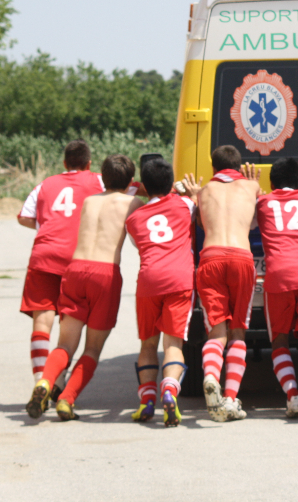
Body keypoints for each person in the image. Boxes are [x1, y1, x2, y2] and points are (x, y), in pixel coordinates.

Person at [26, 155, 139, 421]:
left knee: (65, 344)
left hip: (75, 270)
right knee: (92, 349)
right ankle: (67, 400)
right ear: (131, 181)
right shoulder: (133, 203)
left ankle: (44, 382)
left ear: (103, 177)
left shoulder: (89, 201)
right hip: (105, 273)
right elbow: (140, 239)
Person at [17, 140, 104, 396]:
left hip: (44, 256)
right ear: (89, 163)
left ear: (65, 163)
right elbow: (128, 189)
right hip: (78, 258)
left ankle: (39, 380)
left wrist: (46, 224)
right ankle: (57, 379)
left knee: (42, 322)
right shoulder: (98, 181)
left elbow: (24, 216)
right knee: (70, 326)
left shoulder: (45, 184)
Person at [252, 157, 298, 421]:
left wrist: (252, 190)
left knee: (279, 340)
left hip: (278, 276)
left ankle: (293, 395)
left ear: (271, 183)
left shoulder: (263, 202)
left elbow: (248, 221)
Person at [125, 158, 196, 427]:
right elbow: (194, 202)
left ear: (145, 185)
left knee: (148, 345)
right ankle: (169, 389)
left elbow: (138, 245)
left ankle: (146, 401)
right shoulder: (185, 205)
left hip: (149, 281)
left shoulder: (133, 219)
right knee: (173, 345)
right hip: (179, 279)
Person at [192, 145, 260, 422]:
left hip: (211, 257)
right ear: (240, 167)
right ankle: (231, 398)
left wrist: (193, 194)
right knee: (238, 332)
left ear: (213, 168)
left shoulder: (204, 191)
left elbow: (199, 222)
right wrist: (253, 184)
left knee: (216, 332)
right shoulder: (252, 187)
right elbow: (256, 220)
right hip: (241, 258)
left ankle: (211, 376)